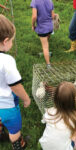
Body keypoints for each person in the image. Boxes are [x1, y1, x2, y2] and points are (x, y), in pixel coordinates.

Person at [0, 15, 31, 149]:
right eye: (12, 40)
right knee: (14, 130)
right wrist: (26, 99)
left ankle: (1, 135)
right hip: (7, 106)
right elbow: (16, 86)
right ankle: (18, 145)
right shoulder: (6, 61)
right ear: (5, 41)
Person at [39, 82, 76, 150]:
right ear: (74, 101)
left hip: (45, 146)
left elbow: (44, 120)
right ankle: (73, 143)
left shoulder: (49, 111)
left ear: (56, 99)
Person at [31, 0, 56, 68]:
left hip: (42, 28)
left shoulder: (35, 1)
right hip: (50, 27)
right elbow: (53, 16)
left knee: (45, 47)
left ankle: (48, 64)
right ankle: (47, 53)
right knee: (46, 42)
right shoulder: (50, 1)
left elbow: (34, 16)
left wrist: (33, 25)